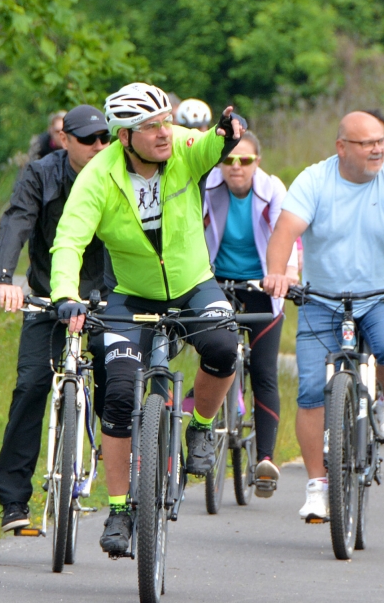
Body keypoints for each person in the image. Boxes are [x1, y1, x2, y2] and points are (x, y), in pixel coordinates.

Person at [49, 82, 245, 556]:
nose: (163, 132)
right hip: (130, 292)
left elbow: (212, 145)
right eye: (150, 127)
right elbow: (70, 238)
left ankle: (199, 425)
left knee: (223, 348)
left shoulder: (181, 146)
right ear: (123, 137)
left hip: (193, 283)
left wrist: (228, 133)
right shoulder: (98, 175)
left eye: (165, 121)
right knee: (117, 392)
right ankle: (119, 509)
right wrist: (66, 294)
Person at [262, 111, 384, 523]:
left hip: (383, 294)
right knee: (309, 391)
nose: (378, 149)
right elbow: (284, 233)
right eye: (367, 143)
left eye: (382, 140)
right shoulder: (314, 181)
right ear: (342, 148)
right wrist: (277, 273)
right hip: (321, 298)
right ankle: (318, 488)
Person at [0, 105, 111, 532]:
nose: (100, 147)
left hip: (107, 297)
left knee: (120, 385)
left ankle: (124, 492)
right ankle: (14, 503)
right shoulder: (41, 174)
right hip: (48, 297)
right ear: (65, 141)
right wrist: (4, 278)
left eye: (106, 139)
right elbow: (17, 222)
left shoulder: (119, 172)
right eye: (90, 140)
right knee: (31, 385)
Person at [203, 131, 300, 497]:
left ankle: (265, 461)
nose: (235, 167)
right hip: (217, 284)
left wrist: (286, 275)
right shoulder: (207, 186)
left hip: (262, 286)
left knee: (263, 370)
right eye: (228, 160)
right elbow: (190, 229)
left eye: (244, 160)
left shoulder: (273, 190)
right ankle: (204, 430)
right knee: (215, 356)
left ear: (257, 161)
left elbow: (286, 234)